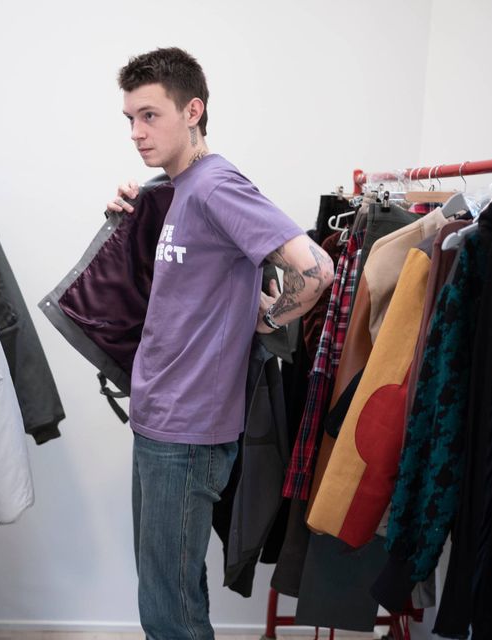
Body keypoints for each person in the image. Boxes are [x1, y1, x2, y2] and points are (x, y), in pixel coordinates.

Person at [107, 47, 335, 639]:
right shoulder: (179, 188)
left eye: (150, 116)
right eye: (130, 118)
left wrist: (267, 320)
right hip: (160, 418)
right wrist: (131, 213)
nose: (136, 132)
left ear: (193, 111)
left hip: (188, 430)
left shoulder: (215, 185)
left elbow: (316, 269)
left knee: (172, 613)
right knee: (167, 594)